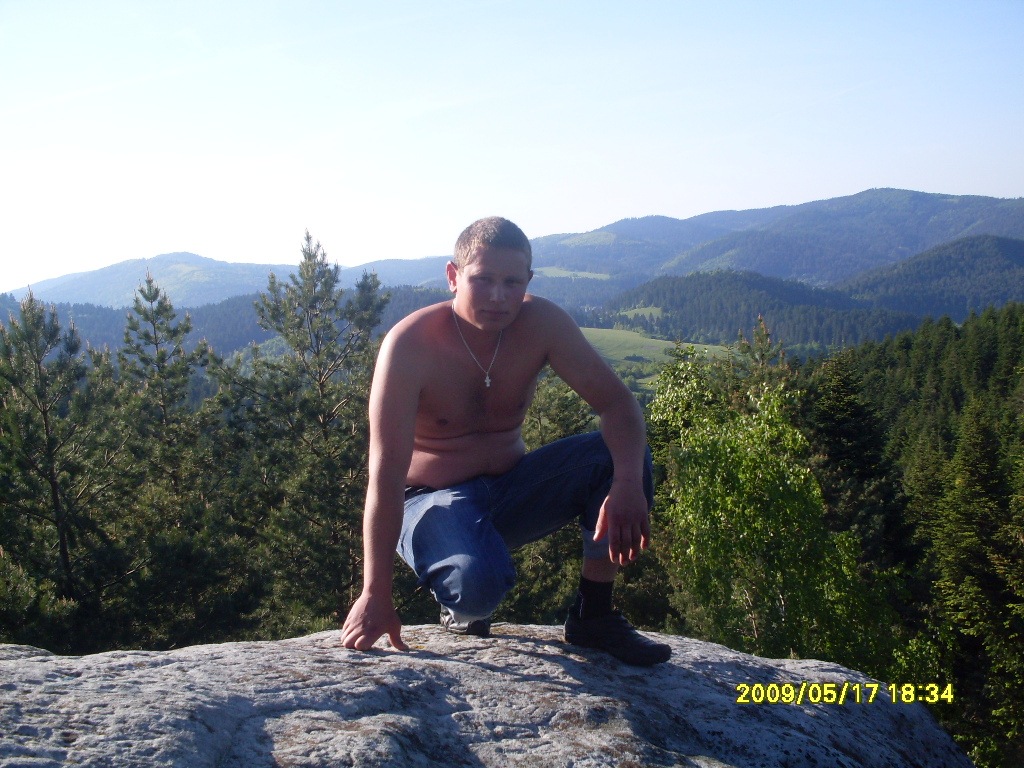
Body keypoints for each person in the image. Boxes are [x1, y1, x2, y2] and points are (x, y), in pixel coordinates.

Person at [340, 216, 670, 666]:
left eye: (512, 282)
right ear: (453, 276)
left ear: (528, 281)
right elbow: (385, 473)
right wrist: (374, 592)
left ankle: (593, 615)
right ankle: (461, 602)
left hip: (512, 490)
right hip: (428, 500)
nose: (498, 296)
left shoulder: (542, 325)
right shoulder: (410, 346)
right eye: (483, 279)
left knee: (615, 457)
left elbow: (618, 406)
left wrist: (628, 483)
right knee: (477, 589)